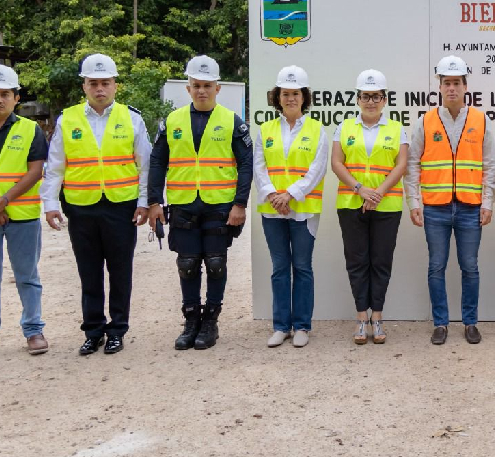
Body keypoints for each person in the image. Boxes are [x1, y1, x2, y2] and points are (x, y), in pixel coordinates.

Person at [42, 53, 151, 355]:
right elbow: (55, 166)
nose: (100, 88)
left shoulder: (132, 118)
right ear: (84, 87)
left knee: (120, 271)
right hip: (81, 207)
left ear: (115, 85)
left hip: (121, 206)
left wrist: (144, 201)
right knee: (89, 272)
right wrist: (50, 203)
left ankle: (117, 330)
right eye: (93, 83)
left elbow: (145, 165)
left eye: (105, 83)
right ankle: (93, 331)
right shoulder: (68, 119)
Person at [148, 55, 252, 351]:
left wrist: (240, 204)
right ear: (188, 88)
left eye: (207, 86)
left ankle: (211, 321)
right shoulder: (172, 121)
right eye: (196, 85)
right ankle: (191, 319)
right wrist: (155, 200)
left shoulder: (232, 121)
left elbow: (246, 165)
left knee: (216, 264)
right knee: (187, 264)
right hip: (183, 204)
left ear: (217, 88)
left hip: (219, 205)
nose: (202, 91)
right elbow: (158, 161)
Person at [406, 55, 495, 345]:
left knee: (470, 267)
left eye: (457, 82)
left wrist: (487, 202)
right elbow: (412, 164)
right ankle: (441, 323)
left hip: (470, 207)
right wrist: (414, 203)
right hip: (435, 207)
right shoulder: (426, 121)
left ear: (465, 86)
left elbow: (489, 165)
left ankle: (470, 322)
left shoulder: (481, 120)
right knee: (436, 266)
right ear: (440, 87)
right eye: (447, 83)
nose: (452, 88)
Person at [331, 69, 408, 344]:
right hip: (351, 203)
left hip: (387, 206)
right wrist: (360, 189)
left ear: (384, 99)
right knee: (357, 261)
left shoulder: (397, 129)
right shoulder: (345, 127)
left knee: (381, 262)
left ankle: (378, 316)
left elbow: (401, 165)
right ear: (358, 99)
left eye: (376, 96)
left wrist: (378, 193)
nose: (371, 101)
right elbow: (337, 163)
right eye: (366, 96)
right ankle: (361, 317)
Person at [254, 65, 327, 349]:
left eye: (296, 93)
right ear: (277, 96)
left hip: (303, 209)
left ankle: (302, 326)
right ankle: (281, 326)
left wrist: (291, 195)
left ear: (304, 96)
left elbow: (317, 169)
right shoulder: (266, 129)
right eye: (285, 93)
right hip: (273, 210)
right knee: (280, 267)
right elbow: (260, 167)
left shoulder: (317, 129)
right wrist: (274, 194)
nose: (291, 98)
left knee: (302, 267)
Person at [0, 65, 48, 355]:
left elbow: (35, 171)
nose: (0, 99)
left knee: (27, 275)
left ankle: (34, 330)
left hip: (22, 216)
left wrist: (3, 200)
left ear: (16, 97)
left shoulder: (31, 130)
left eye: (5, 94)